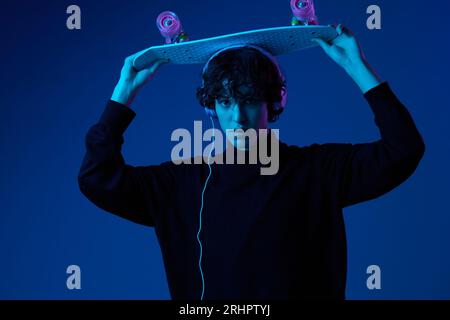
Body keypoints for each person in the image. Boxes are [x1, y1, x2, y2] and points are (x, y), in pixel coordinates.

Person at [78, 24, 425, 300]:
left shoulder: (318, 171)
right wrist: (123, 93)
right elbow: (97, 177)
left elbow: (403, 148)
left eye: (249, 100)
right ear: (211, 106)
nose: (238, 116)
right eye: (226, 101)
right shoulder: (181, 183)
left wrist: (356, 66)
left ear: (274, 103)